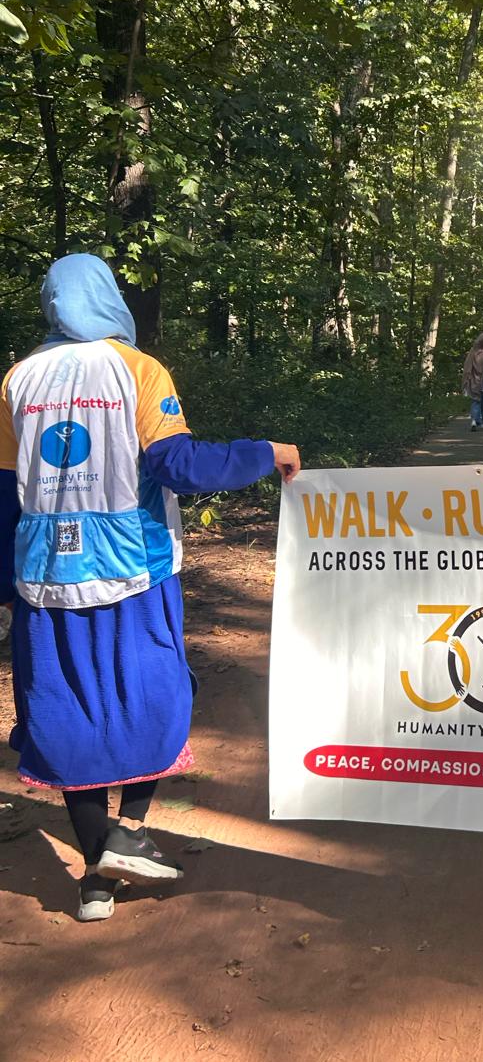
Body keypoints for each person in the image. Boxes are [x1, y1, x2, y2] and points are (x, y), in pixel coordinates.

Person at [0, 254, 300, 923]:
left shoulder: (17, 380)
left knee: (65, 715)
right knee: (155, 700)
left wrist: (6, 586)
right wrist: (265, 452)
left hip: (45, 581)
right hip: (133, 571)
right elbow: (179, 465)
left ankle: (96, 879)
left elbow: (1, 493)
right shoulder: (137, 369)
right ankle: (128, 834)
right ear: (109, 298)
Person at [461, 332, 483, 430]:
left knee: (475, 400)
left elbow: (467, 366)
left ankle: (474, 419)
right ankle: (482, 420)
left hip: (473, 379)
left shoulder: (473, 351)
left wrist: (466, 379)